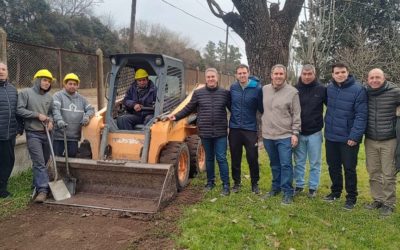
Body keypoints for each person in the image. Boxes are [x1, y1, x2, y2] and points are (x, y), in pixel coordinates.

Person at [168, 68, 231, 196]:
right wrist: (176, 116)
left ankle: (226, 185)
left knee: (221, 158)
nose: (211, 79)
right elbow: (188, 108)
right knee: (209, 158)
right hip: (205, 131)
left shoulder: (224, 93)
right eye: (208, 77)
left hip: (220, 132)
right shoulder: (198, 93)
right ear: (205, 78)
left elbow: (233, 109)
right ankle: (210, 182)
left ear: (217, 78)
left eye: (213, 76)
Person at [324, 62, 367, 210]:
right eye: (337, 73)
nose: (340, 75)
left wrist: (354, 136)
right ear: (333, 75)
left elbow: (361, 116)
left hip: (348, 138)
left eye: (343, 72)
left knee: (349, 168)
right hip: (331, 136)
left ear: (348, 72)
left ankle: (351, 197)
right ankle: (335, 192)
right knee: (333, 166)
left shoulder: (358, 89)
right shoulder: (329, 89)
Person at [261, 64, 301, 205]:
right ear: (271, 75)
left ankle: (287, 192)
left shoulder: (292, 92)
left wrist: (295, 133)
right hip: (268, 135)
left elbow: (296, 115)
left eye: (281, 74)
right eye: (275, 74)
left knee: (286, 165)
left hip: (285, 135)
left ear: (285, 75)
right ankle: (275, 187)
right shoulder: (264, 90)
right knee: (274, 164)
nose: (278, 76)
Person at [364, 68, 400, 216]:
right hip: (371, 139)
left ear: (384, 78)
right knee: (373, 171)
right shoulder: (365, 92)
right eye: (371, 78)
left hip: (389, 140)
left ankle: (389, 203)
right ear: (368, 80)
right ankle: (377, 199)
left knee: (388, 173)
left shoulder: (395, 92)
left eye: (377, 77)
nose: (374, 80)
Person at [17, 69, 54, 203]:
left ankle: (36, 185)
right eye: (44, 80)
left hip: (47, 134)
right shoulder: (26, 93)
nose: (46, 83)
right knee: (39, 162)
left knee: (43, 162)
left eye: (49, 81)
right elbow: (19, 110)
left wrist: (51, 121)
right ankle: (43, 190)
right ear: (37, 80)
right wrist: (37, 115)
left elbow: (52, 113)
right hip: (33, 134)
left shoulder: (50, 98)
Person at [229, 64, 263, 194]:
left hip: (250, 129)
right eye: (239, 73)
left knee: (252, 157)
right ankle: (236, 183)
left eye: (244, 73)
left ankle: (255, 184)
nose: (242, 75)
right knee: (235, 157)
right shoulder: (233, 88)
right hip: (235, 129)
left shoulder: (257, 88)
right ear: (236, 75)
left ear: (248, 73)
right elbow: (229, 104)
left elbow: (261, 108)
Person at [293, 64, 326, 198]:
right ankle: (299, 185)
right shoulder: (294, 89)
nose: (307, 77)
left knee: (315, 162)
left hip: (315, 132)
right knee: (299, 161)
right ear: (301, 74)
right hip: (299, 132)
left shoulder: (322, 89)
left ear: (314, 74)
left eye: (309, 74)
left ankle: (313, 187)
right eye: (304, 74)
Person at [52, 73, 95, 157]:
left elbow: (91, 109)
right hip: (59, 135)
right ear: (65, 84)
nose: (72, 86)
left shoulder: (82, 99)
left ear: (78, 86)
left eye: (75, 84)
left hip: (73, 136)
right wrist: (59, 120)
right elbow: (55, 110)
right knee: (57, 158)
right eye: (70, 84)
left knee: (71, 157)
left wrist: (87, 117)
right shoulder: (58, 96)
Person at [0, 62, 19, 198]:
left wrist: (20, 126)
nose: (1, 71)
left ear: (7, 72)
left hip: (9, 134)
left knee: (8, 162)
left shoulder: (13, 90)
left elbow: (17, 111)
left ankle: (2, 188)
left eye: (3, 69)